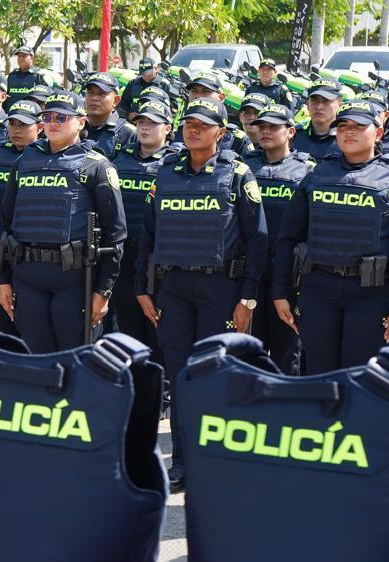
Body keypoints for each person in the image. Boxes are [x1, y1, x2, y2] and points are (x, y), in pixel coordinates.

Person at [135, 98, 268, 491]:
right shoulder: (166, 173)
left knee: (216, 376)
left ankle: (217, 460)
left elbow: (257, 240)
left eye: (202, 125)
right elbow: (149, 235)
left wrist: (247, 299)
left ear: (221, 133)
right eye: (188, 123)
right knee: (180, 376)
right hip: (174, 288)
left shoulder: (238, 174)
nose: (192, 129)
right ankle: (182, 462)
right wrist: (144, 287)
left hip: (221, 288)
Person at [272, 99, 389, 375]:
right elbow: (288, 236)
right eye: (343, 126)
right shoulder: (317, 174)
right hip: (318, 290)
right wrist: (280, 291)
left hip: (371, 295)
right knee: (319, 376)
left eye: (359, 126)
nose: (349, 132)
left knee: (360, 377)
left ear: (379, 132)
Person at [0, 90, 126, 353]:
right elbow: (5, 223)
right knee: (36, 359)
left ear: (80, 122)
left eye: (62, 117)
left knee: (75, 360)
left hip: (74, 280)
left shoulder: (96, 166)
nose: (53, 122)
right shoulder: (24, 162)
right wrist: (2, 280)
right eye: (48, 116)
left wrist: (104, 291)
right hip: (28, 276)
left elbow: (116, 234)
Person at [242, 103, 313, 375]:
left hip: (289, 270)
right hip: (251, 267)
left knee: (287, 350)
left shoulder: (307, 170)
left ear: (291, 131)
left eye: (274, 126)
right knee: (249, 347)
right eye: (262, 126)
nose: (266, 131)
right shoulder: (243, 167)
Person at [109, 100, 176, 349]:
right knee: (127, 326)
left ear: (168, 128)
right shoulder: (120, 159)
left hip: (159, 258)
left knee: (160, 328)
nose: (145, 128)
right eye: (141, 122)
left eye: (153, 123)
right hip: (124, 254)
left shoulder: (175, 163)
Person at [0, 99, 42, 335]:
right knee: (0, 317)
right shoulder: (0, 155)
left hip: (31, 249)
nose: (16, 130)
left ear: (39, 127)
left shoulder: (46, 158)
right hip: (0, 246)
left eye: (23, 125)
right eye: (12, 124)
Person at [176, 72, 253, 157]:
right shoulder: (182, 130)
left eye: (206, 91)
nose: (198, 96)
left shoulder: (237, 139)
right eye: (194, 91)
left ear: (221, 97)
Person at [82, 72, 136, 155]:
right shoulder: (74, 127)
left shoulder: (129, 134)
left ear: (116, 100)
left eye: (101, 93)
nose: (94, 98)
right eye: (90, 92)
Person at [292, 79, 342, 157]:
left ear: (340, 105)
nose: (319, 107)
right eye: (315, 100)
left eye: (326, 100)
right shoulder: (293, 135)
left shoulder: (347, 138)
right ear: (308, 104)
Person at [3, 46, 53, 112]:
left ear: (32, 57)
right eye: (19, 56)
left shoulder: (39, 75)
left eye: (24, 56)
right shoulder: (12, 76)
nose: (20, 58)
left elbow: (47, 98)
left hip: (30, 117)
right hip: (11, 116)